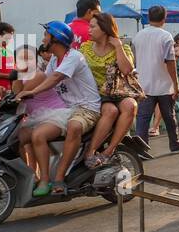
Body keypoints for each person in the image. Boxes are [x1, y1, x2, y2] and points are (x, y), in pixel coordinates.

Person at [16, 20, 101, 196]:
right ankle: (42, 180)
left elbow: (54, 79)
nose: (43, 38)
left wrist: (31, 91)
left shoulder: (74, 57)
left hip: (87, 108)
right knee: (30, 134)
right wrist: (20, 88)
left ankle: (60, 178)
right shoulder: (54, 59)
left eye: (46, 35)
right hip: (67, 109)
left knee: (74, 126)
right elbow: (44, 79)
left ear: (55, 38)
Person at [78, 11, 142, 167]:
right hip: (97, 95)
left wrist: (118, 46)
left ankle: (109, 151)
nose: (89, 30)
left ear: (105, 29)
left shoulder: (123, 47)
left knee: (130, 105)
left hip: (119, 92)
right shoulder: (85, 48)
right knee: (111, 111)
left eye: (93, 27)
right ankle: (91, 152)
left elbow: (127, 70)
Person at [134, 4, 179, 154]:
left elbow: (135, 60)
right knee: (169, 117)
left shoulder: (138, 36)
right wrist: (176, 85)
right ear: (164, 18)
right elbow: (170, 62)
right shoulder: (165, 36)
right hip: (164, 84)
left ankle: (141, 149)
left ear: (148, 17)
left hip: (144, 84)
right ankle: (174, 143)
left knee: (143, 119)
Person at [11, 43, 69, 181]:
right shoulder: (22, 77)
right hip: (36, 118)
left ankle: (44, 179)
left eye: (29, 58)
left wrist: (15, 79)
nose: (25, 62)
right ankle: (29, 175)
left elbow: (19, 94)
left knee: (38, 136)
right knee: (14, 139)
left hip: (54, 114)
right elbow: (14, 95)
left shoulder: (39, 75)